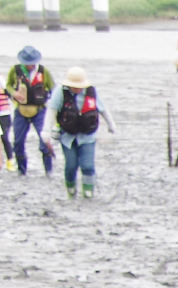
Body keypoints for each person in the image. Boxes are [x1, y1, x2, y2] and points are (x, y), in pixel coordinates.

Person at [47, 66, 114, 200]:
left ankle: (88, 193)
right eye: (74, 86)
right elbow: (51, 111)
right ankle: (71, 190)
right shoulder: (60, 92)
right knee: (71, 166)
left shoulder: (91, 92)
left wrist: (111, 124)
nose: (77, 89)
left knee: (88, 166)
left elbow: (102, 108)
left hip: (87, 136)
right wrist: (45, 132)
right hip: (67, 136)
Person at [7, 47, 55, 177]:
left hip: (39, 111)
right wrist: (14, 93)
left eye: (31, 63)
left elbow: (53, 89)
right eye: (26, 63)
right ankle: (22, 171)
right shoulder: (15, 70)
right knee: (18, 141)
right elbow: (8, 86)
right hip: (20, 111)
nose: (29, 66)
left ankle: (48, 171)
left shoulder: (44, 72)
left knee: (44, 140)